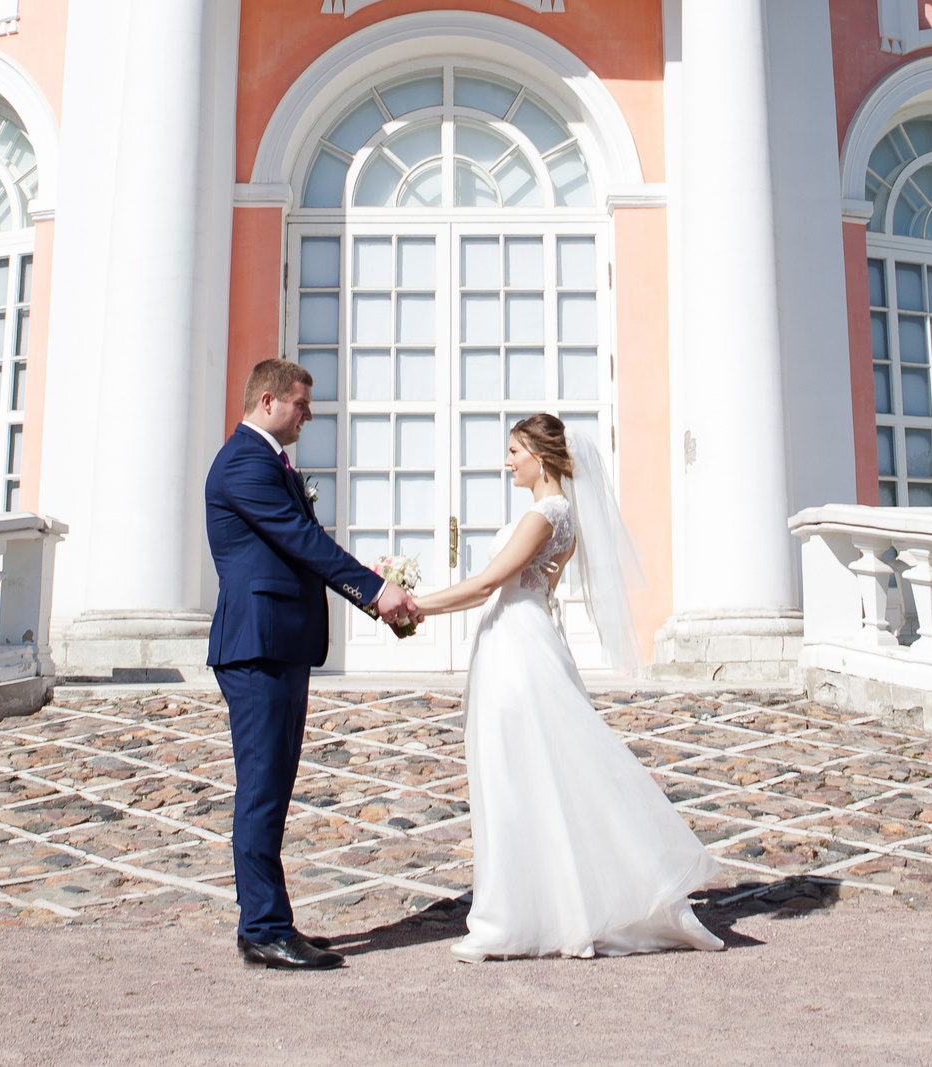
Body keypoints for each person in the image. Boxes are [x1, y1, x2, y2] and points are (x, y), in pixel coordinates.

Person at [413, 412, 725, 961]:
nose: (507, 462)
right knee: (541, 776)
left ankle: (509, 921)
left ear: (539, 456)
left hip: (518, 648)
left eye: (514, 451)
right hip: (520, 639)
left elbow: (487, 584)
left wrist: (414, 604)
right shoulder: (560, 515)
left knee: (516, 779)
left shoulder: (544, 515)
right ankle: (554, 909)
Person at [206, 357, 422, 970]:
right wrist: (375, 591)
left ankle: (267, 920)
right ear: (268, 401)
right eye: (301, 404)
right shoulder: (245, 462)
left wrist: (373, 589)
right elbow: (302, 542)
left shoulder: (268, 461)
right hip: (258, 646)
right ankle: (264, 928)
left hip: (278, 644)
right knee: (261, 790)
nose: (309, 415)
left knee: (272, 788)